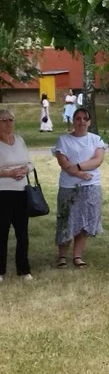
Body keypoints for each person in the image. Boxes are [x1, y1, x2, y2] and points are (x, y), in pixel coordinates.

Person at [52, 107, 106, 269]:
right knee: (66, 219)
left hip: (91, 186)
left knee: (84, 221)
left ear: (89, 122)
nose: (81, 121)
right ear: (73, 121)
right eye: (78, 118)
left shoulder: (96, 140)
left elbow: (97, 160)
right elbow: (63, 163)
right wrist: (81, 174)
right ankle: (62, 256)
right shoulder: (63, 140)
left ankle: (77, 256)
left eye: (85, 118)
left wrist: (77, 167)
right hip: (69, 186)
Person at [0, 109, 35, 281]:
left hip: (22, 192)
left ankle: (24, 269)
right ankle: (0, 270)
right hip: (3, 193)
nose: (8, 123)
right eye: (4, 120)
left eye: (10, 120)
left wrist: (25, 170)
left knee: (22, 233)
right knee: (2, 233)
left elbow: (30, 163)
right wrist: (9, 173)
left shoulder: (20, 140)